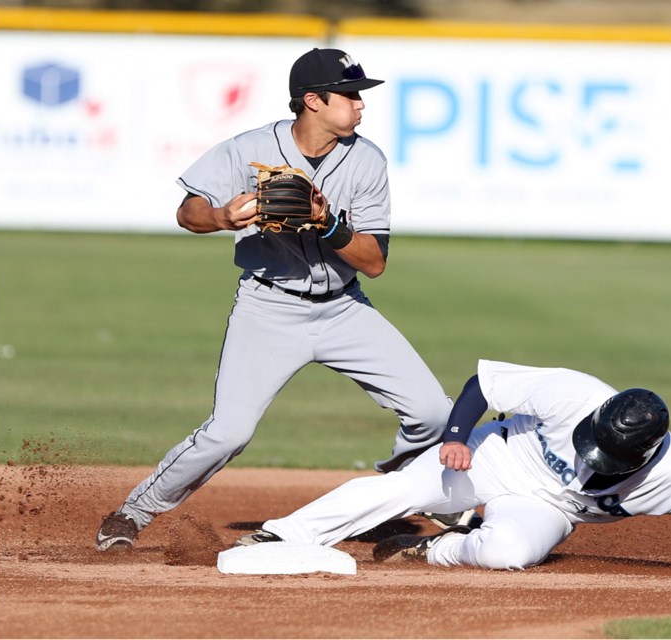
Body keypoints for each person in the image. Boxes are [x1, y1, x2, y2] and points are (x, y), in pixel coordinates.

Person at [95, 48, 456, 551]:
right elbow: (188, 210)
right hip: (269, 308)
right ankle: (133, 513)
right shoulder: (248, 148)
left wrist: (328, 224)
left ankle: (401, 490)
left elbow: (373, 261)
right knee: (227, 433)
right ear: (313, 100)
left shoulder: (367, 159)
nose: (360, 104)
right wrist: (222, 217)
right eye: (349, 94)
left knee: (434, 413)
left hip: (343, 308)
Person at [236, 359, 671, 581]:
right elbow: (485, 381)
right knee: (404, 486)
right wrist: (455, 438)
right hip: (498, 455)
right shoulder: (573, 392)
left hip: (548, 509)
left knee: (510, 553)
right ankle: (282, 533)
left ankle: (428, 551)